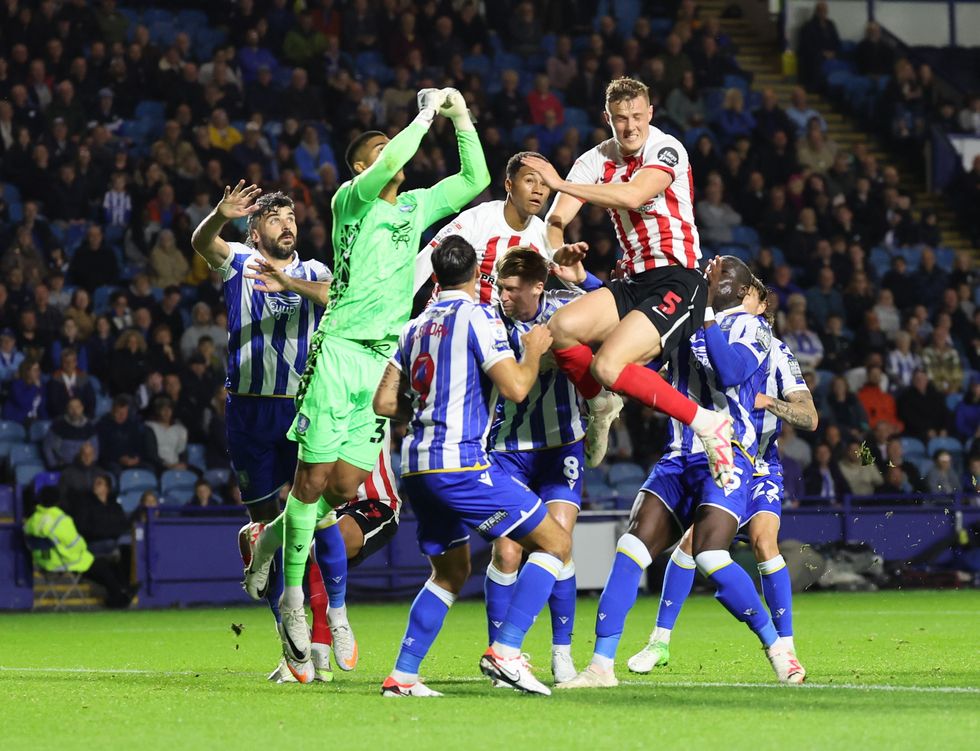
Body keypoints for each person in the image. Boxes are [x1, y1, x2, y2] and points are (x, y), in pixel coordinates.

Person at [253, 87, 489, 676]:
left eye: (397, 145)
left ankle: (265, 543)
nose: (396, 155)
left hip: (384, 359)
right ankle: (291, 602)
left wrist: (459, 117)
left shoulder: (414, 208)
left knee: (343, 488)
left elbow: (476, 176)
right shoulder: (349, 202)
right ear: (363, 166)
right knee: (311, 480)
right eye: (382, 149)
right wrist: (426, 113)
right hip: (337, 351)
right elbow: (388, 160)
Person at [558, 257, 802, 689]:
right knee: (631, 548)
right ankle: (600, 666)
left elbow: (730, 372)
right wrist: (590, 282)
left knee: (710, 555)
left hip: (728, 455)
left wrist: (704, 310)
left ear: (745, 290)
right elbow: (639, 312)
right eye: (714, 268)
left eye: (727, 272)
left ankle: (777, 646)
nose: (715, 272)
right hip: (679, 454)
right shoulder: (686, 318)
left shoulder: (752, 328)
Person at [373, 235, 567, 697]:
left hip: (415, 466)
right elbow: (518, 388)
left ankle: (402, 675)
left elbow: (383, 402)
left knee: (450, 573)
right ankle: (507, 649)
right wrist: (535, 348)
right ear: (479, 275)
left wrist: (428, 410)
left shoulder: (412, 328)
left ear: (435, 277)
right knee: (555, 543)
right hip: (458, 465)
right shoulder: (478, 318)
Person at [521, 77, 732, 482]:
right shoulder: (595, 159)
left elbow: (633, 195)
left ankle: (708, 423)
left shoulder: (666, 148)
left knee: (608, 365)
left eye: (637, 116)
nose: (631, 126)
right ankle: (600, 404)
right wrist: (556, 249)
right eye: (621, 118)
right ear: (608, 118)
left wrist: (559, 182)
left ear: (650, 113)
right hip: (632, 281)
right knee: (560, 328)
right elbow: (555, 220)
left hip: (679, 279)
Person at [629, 280, 817, 676]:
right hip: (717, 456)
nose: (740, 295)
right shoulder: (705, 339)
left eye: (750, 291)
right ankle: (659, 641)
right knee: (690, 544)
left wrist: (771, 402)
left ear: (763, 303)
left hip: (762, 462)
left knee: (765, 539)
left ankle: (786, 647)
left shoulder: (778, 352)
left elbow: (810, 417)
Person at [484, 248, 600, 684]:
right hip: (508, 449)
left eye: (513, 289)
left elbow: (615, 310)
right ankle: (501, 654)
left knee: (561, 542)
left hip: (561, 446)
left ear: (538, 287)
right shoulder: (491, 320)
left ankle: (561, 652)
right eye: (500, 287)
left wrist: (584, 279)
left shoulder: (564, 310)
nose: (504, 296)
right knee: (508, 550)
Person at [24, 486, 136, 608]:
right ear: (57, 501)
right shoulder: (60, 520)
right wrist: (84, 549)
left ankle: (119, 594)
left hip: (43, 563)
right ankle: (120, 598)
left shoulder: (32, 520)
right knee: (103, 565)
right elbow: (75, 544)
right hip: (62, 562)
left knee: (100, 567)